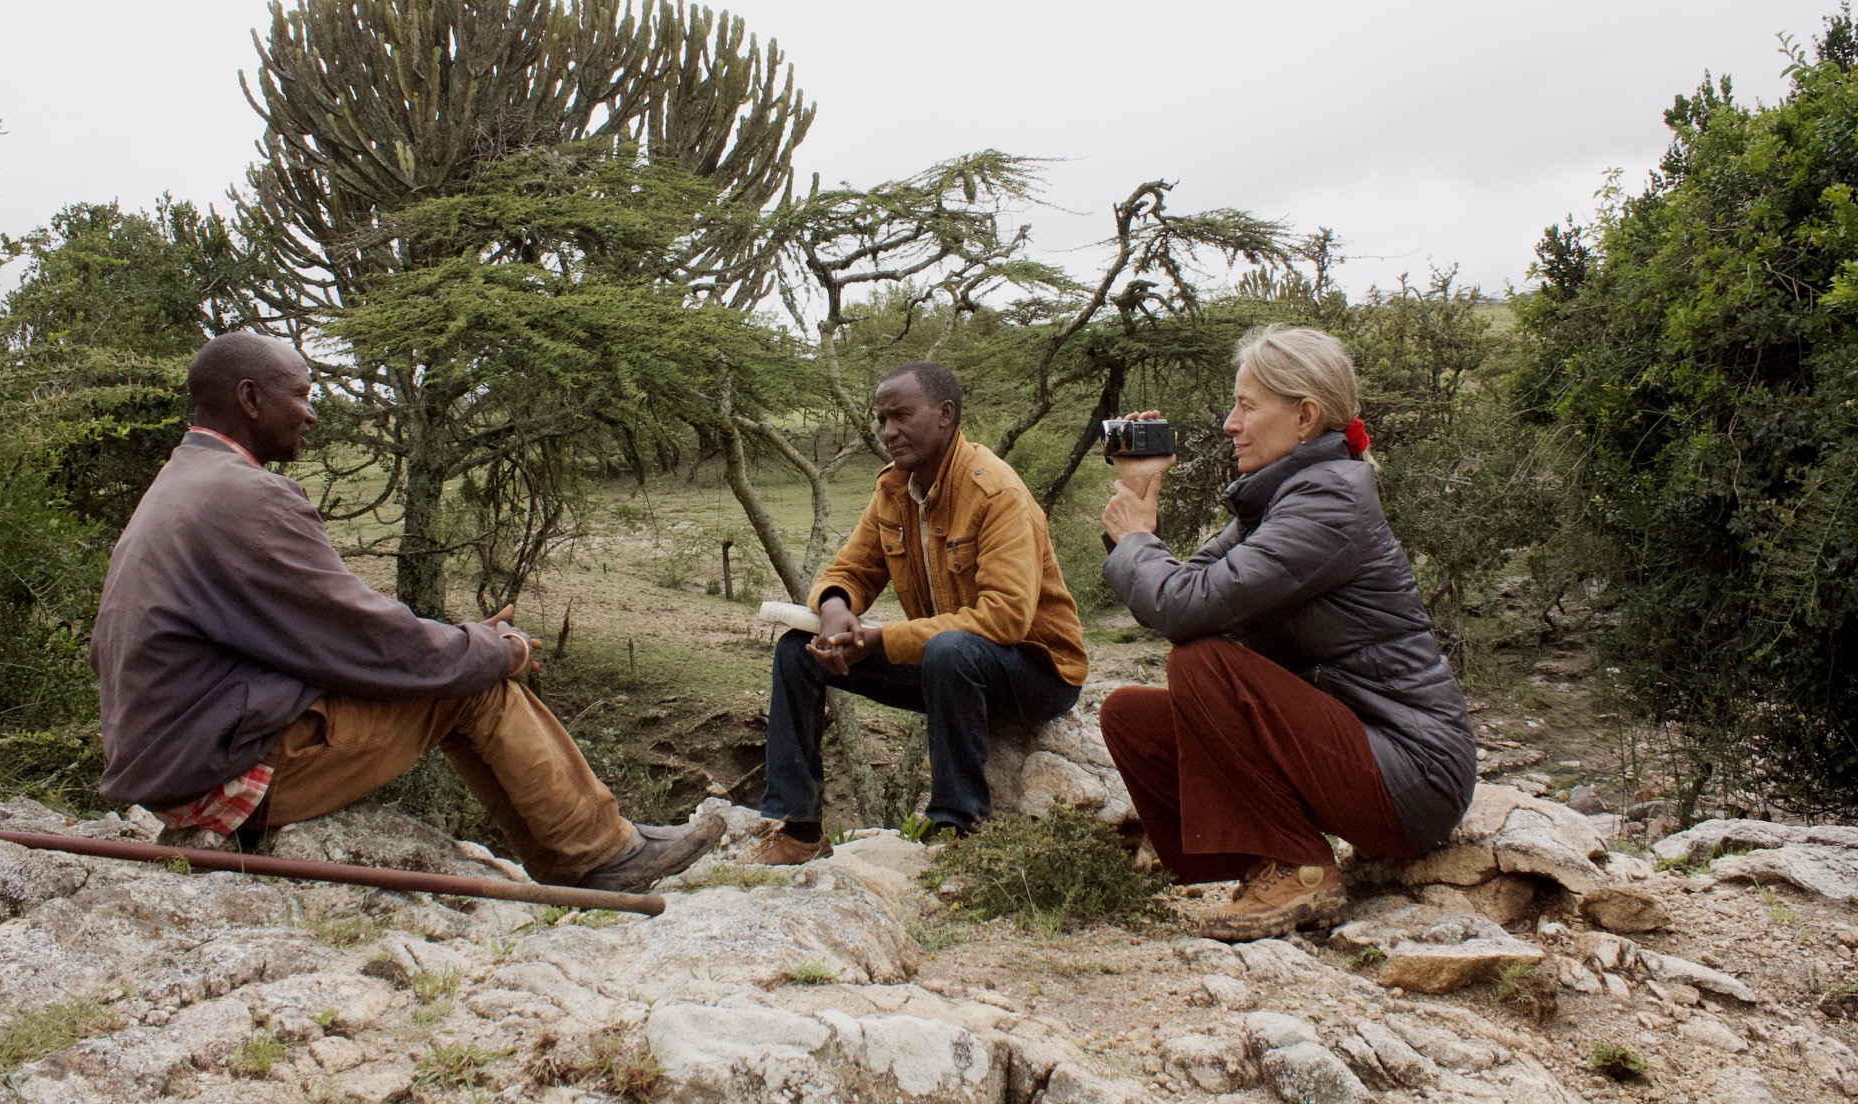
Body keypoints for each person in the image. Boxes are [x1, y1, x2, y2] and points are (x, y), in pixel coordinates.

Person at [92, 332, 722, 893]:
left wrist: (460, 643)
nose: (311, 413)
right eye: (302, 395)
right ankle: (603, 855)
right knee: (475, 690)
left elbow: (324, 634)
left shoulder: (184, 480)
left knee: (458, 671)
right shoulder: (248, 498)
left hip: (180, 760)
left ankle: (579, 854)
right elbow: (363, 638)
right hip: (221, 772)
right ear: (251, 398)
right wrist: (495, 648)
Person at [1097, 324, 1474, 941]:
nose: (1229, 424)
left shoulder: (1328, 503)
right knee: (1130, 719)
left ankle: (1302, 871)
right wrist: (1141, 496)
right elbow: (1174, 596)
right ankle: (1261, 861)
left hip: (1414, 772)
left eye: (1246, 406)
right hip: (1357, 750)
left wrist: (1139, 540)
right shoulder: (1282, 499)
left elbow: (1186, 610)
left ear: (1305, 416)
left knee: (1201, 664)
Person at [743, 361, 1090, 863]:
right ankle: (798, 830)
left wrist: (881, 638)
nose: (889, 431)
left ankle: (957, 826)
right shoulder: (893, 490)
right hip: (948, 669)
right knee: (798, 650)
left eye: (902, 415)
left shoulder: (997, 492)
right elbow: (852, 570)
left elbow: (1006, 619)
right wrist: (837, 608)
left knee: (951, 650)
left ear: (945, 414)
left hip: (1035, 671)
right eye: (883, 419)